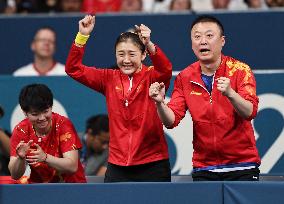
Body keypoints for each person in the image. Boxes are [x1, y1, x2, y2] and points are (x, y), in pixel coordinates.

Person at [149, 15, 261, 181]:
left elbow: (250, 112)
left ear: (222, 41)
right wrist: (160, 103)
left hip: (242, 165)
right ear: (192, 43)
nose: (203, 41)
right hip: (204, 167)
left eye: (209, 36)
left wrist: (231, 94)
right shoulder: (185, 77)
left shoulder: (240, 70)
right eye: (197, 36)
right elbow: (171, 121)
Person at [65, 15, 172, 182]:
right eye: (121, 54)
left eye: (132, 54)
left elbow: (166, 69)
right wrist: (82, 36)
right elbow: (73, 69)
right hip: (117, 165)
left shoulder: (152, 76)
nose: (126, 60)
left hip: (153, 163)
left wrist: (149, 44)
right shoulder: (108, 78)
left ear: (144, 55)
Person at [8, 84, 86, 183]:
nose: (42, 118)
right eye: (35, 114)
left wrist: (45, 158)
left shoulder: (63, 124)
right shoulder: (21, 130)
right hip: (40, 191)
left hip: (72, 187)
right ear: (25, 112)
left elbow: (72, 166)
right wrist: (20, 158)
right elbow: (15, 175)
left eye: (46, 111)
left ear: (51, 107)